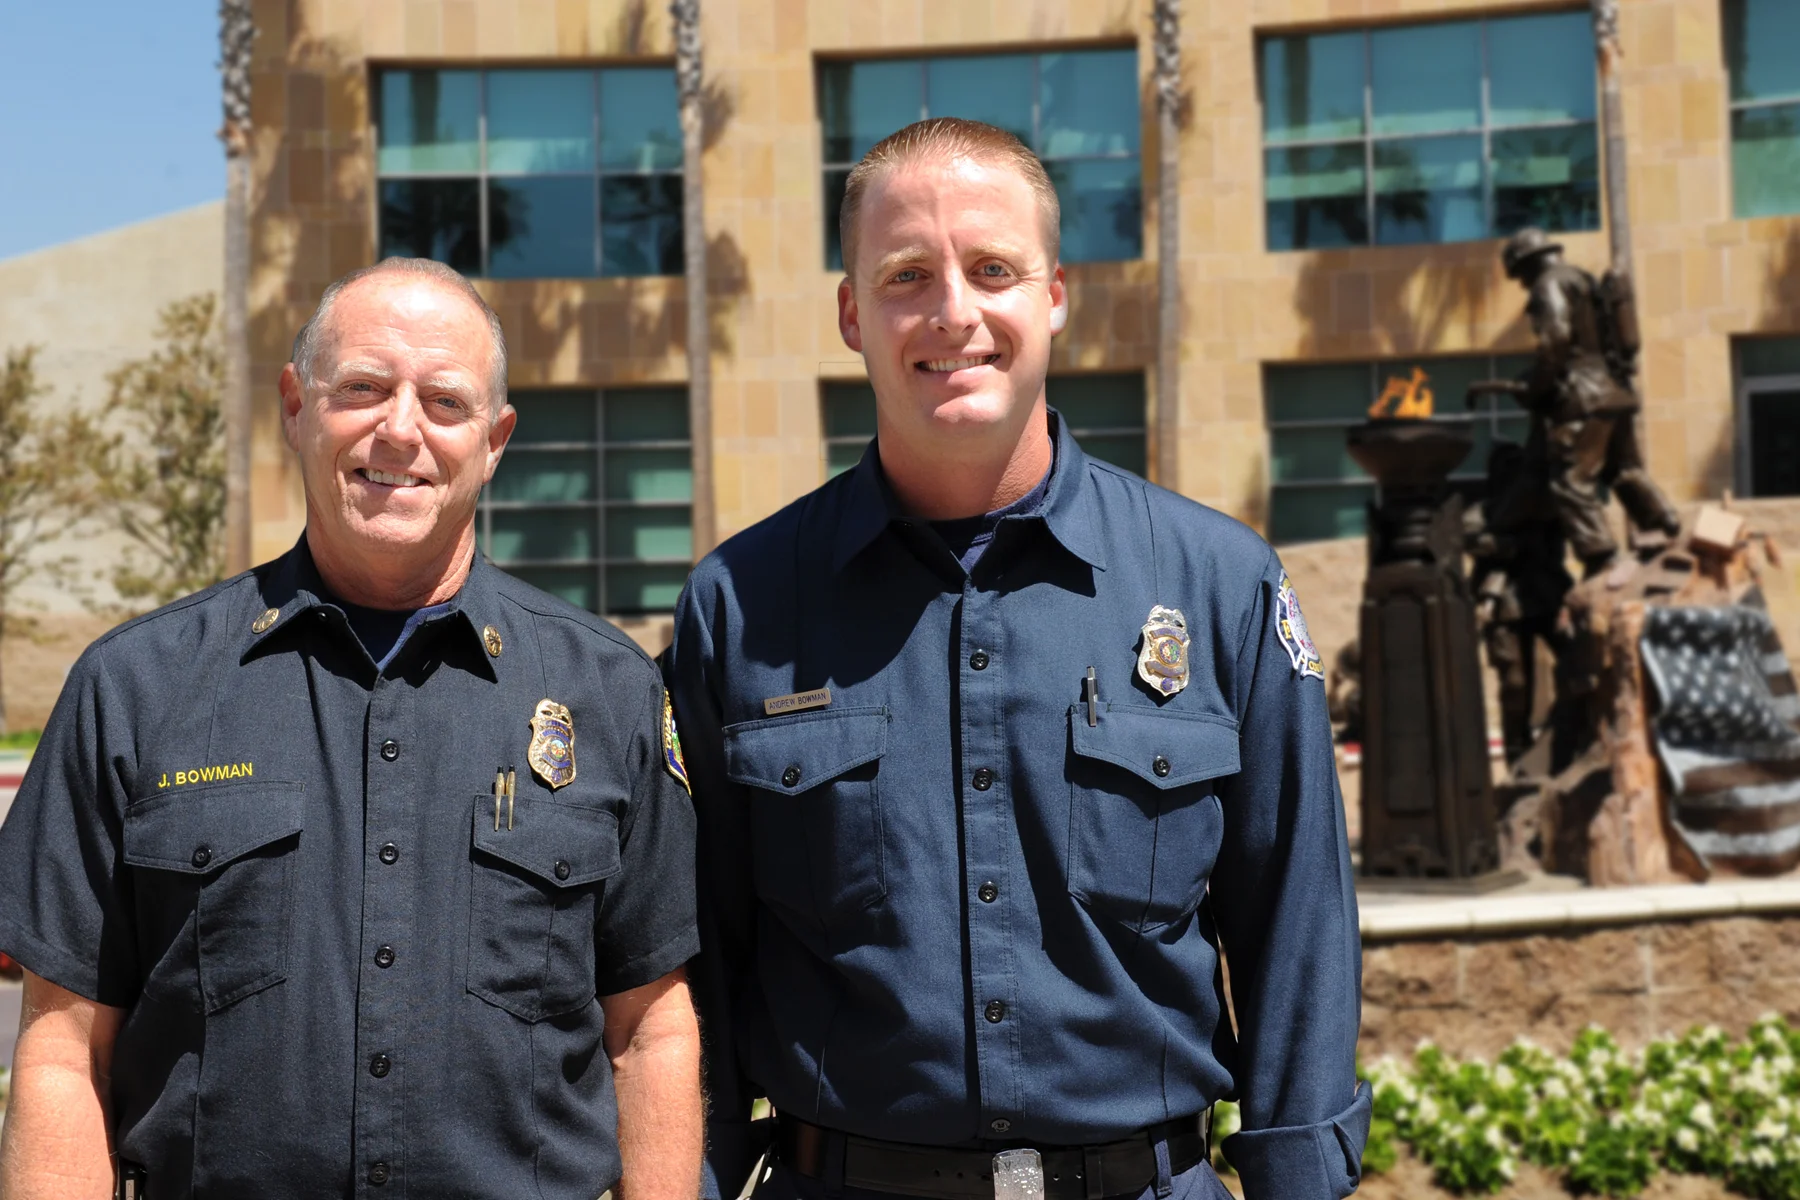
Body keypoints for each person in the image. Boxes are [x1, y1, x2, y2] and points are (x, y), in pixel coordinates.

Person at [666, 118, 1367, 1200]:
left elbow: (1297, 932)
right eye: (907, 275)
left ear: (1054, 295)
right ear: (852, 313)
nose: (954, 310)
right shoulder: (739, 607)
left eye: (993, 269)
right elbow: (696, 962)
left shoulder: (1221, 585)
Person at [0, 257, 702, 1200]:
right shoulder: (134, 687)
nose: (399, 429)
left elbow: (650, 1030)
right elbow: (60, 1050)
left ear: (494, 441)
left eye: (444, 403)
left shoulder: (607, 691)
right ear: (296, 405)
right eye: (363, 388)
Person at [1470, 228, 1681, 577]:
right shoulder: (1585, 280)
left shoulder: (1548, 284)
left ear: (1529, 263)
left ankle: (1600, 559)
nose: (1522, 285)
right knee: (1624, 470)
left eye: (1520, 275)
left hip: (1584, 398)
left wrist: (1536, 386)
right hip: (1616, 392)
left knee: (1571, 482)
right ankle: (1666, 523)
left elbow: (1556, 341)